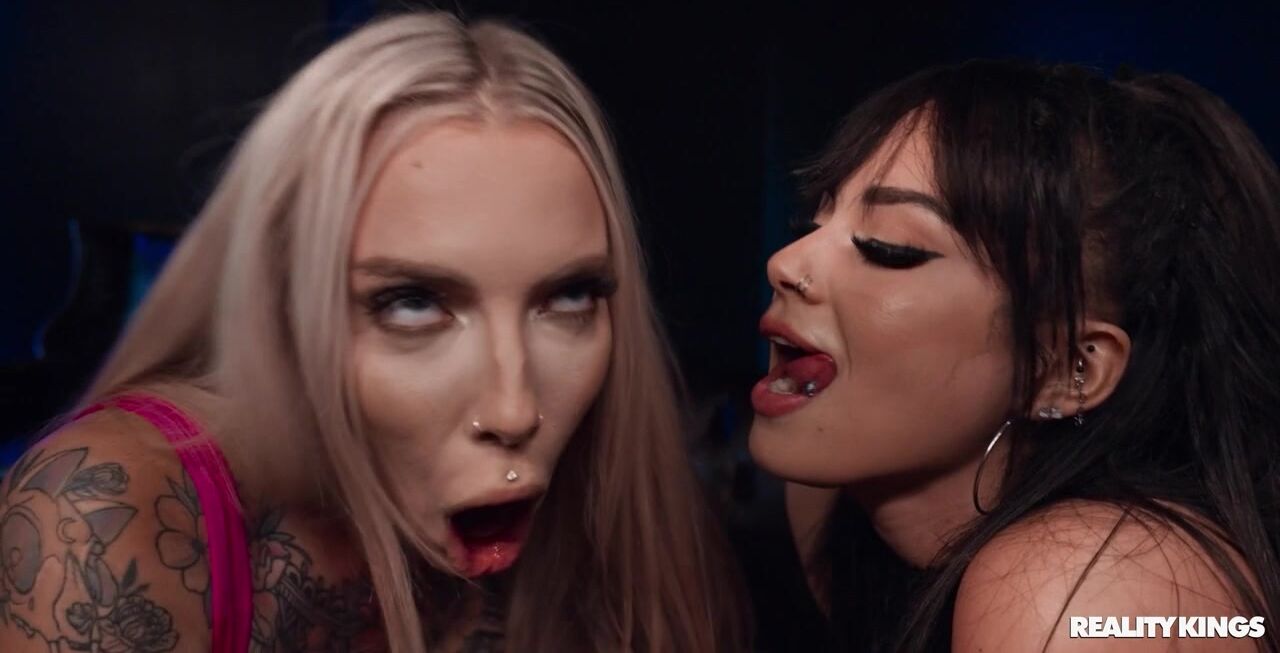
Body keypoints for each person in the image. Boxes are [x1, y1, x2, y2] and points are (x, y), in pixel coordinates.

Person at [0, 13, 745, 652]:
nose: (515, 410)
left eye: (570, 297)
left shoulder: (629, 510)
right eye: (413, 303)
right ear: (283, 309)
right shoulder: (105, 510)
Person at [750, 59, 1280, 651]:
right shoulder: (828, 501)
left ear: (1064, 369)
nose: (784, 263)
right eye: (811, 221)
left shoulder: (1087, 586)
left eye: (886, 248)